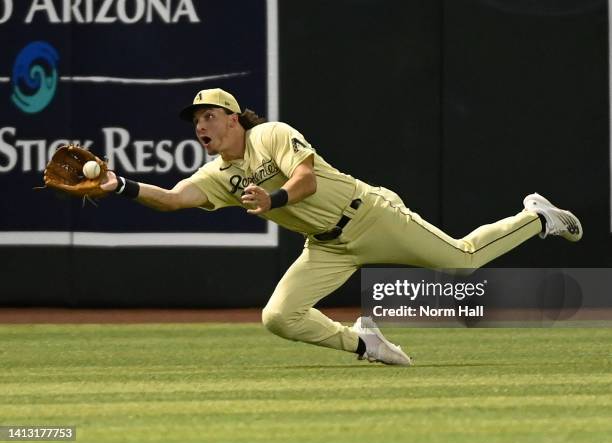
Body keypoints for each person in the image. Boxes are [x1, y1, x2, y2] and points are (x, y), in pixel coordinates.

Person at [101, 88, 583, 366]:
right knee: (278, 317)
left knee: (462, 260)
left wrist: (273, 199)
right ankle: (363, 342)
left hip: (369, 214)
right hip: (328, 247)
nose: (201, 126)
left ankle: (534, 215)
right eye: (196, 121)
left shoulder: (270, 134)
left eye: (210, 116)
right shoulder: (217, 175)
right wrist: (117, 184)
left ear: (233, 117)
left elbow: (306, 180)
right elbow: (170, 200)